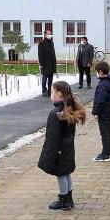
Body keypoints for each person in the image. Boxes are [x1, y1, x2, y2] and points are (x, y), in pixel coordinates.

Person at [37, 81, 86, 210]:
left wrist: (49, 156)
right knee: (66, 173)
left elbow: (52, 138)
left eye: (52, 92)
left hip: (59, 150)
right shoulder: (69, 108)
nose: (51, 95)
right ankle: (69, 199)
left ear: (59, 94)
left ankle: (64, 199)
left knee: (61, 174)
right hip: (67, 148)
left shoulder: (57, 113)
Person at [92, 62, 110, 162]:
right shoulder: (109, 81)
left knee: (105, 133)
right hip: (108, 111)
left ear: (100, 71)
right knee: (106, 132)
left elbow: (100, 100)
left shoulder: (103, 84)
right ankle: (108, 151)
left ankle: (106, 154)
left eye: (96, 71)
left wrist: (96, 113)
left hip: (104, 112)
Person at [38, 29, 57, 97]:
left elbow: (53, 53)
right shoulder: (41, 43)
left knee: (50, 79)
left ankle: (49, 91)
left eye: (50, 33)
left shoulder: (51, 42)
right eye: (48, 34)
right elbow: (40, 54)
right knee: (44, 78)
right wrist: (41, 64)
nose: (50, 35)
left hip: (51, 64)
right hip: (45, 64)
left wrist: (54, 62)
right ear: (45, 35)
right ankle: (44, 91)